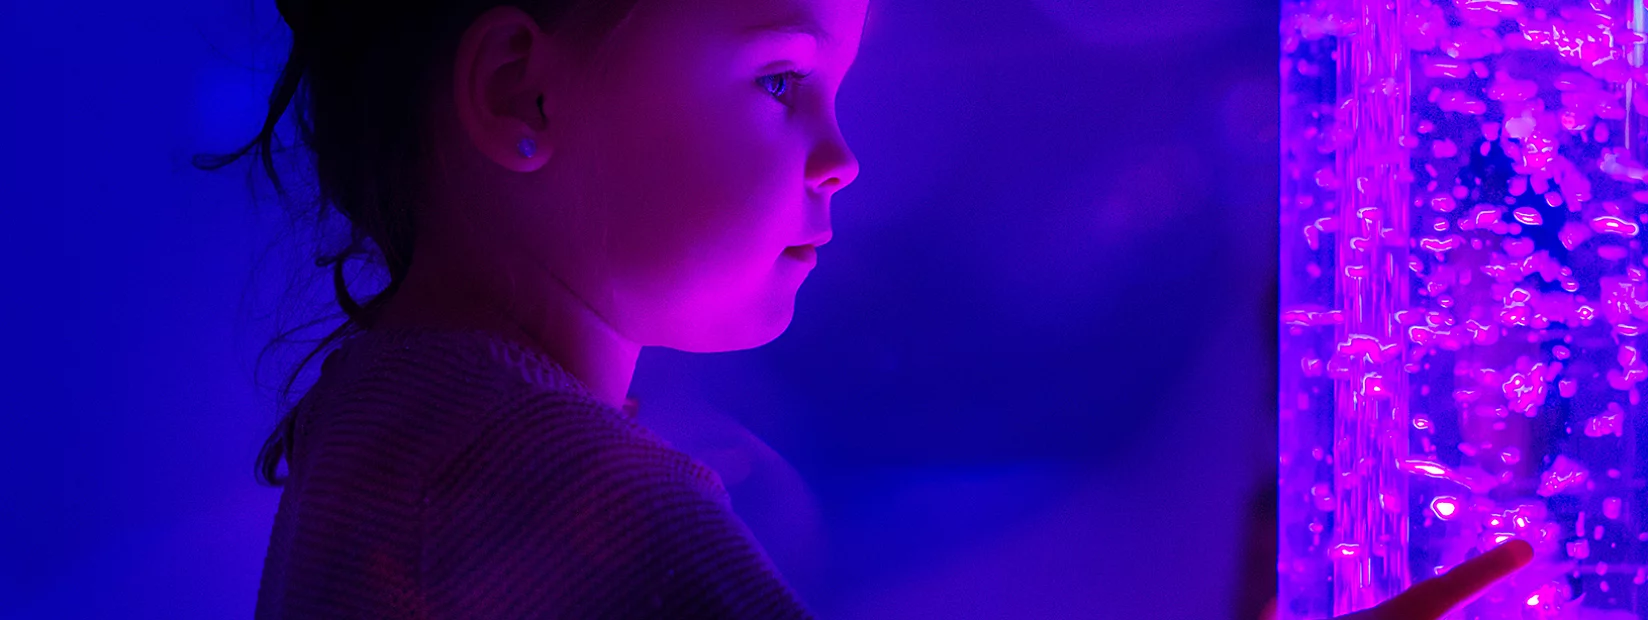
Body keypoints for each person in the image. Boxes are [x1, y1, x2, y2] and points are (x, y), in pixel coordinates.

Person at [202, 0, 1525, 616]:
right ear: (520, 93)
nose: (841, 157)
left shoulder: (398, 419)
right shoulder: (548, 477)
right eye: (782, 81)